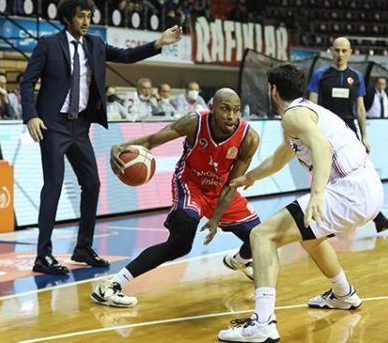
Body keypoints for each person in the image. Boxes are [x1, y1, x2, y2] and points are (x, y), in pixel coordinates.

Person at [217, 64, 383, 342]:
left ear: (274, 90)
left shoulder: (293, 116)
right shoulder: (301, 113)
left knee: (262, 236)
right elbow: (283, 155)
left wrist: (317, 193)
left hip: (348, 191)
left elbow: (322, 147)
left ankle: (263, 324)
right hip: (368, 189)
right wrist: (250, 177)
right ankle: (343, 294)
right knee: (311, 238)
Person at [20, 0, 182, 275]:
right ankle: (42, 255)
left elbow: (128, 56)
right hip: (53, 125)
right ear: (67, 18)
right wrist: (31, 116)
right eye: (81, 16)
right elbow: (27, 82)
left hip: (80, 126)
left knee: (92, 184)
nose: (87, 21)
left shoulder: (95, 44)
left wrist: (159, 43)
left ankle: (83, 247)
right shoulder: (47, 45)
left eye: (90, 16)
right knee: (54, 185)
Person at [91, 89, 261, 307]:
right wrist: (121, 147)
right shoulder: (194, 122)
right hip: (191, 185)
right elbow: (152, 140)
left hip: (222, 190)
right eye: (225, 109)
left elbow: (232, 184)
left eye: (236, 111)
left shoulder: (249, 138)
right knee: (180, 243)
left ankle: (239, 261)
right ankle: (112, 286)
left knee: (258, 238)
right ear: (212, 109)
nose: (231, 116)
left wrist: (216, 217)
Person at [307, 36, 388, 232]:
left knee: (359, 173)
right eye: (336, 50)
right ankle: (318, 221)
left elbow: (361, 108)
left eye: (344, 51)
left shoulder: (356, 77)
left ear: (350, 52)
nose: (340, 54)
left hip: (349, 132)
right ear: (331, 51)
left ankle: (377, 217)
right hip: (326, 132)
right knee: (328, 175)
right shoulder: (320, 75)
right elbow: (311, 107)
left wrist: (364, 136)